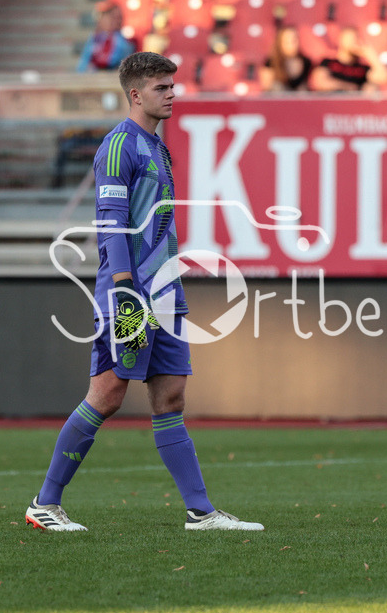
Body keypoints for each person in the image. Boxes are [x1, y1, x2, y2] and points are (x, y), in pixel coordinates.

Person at [26, 51, 264, 533]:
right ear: (135, 94)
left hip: (165, 292)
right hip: (131, 294)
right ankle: (44, 504)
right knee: (108, 393)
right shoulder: (119, 147)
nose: (172, 94)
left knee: (171, 396)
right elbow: (110, 224)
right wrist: (123, 291)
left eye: (172, 85)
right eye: (161, 87)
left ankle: (201, 512)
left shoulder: (156, 146)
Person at [312, 26, 387, 91]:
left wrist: (370, 54)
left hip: (355, 104)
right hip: (331, 102)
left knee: (372, 88)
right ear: (340, 40)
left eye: (355, 38)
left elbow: (385, 78)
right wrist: (349, 87)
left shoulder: (363, 69)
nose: (353, 41)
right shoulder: (328, 62)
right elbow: (320, 83)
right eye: (349, 38)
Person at [76, 0, 137, 72]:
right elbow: (83, 65)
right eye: (113, 17)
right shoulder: (95, 38)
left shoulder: (126, 42)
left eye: (119, 17)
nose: (117, 21)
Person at [260, 25, 313, 91]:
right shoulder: (271, 63)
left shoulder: (306, 62)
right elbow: (266, 88)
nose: (292, 44)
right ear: (280, 43)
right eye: (287, 41)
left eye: (294, 40)